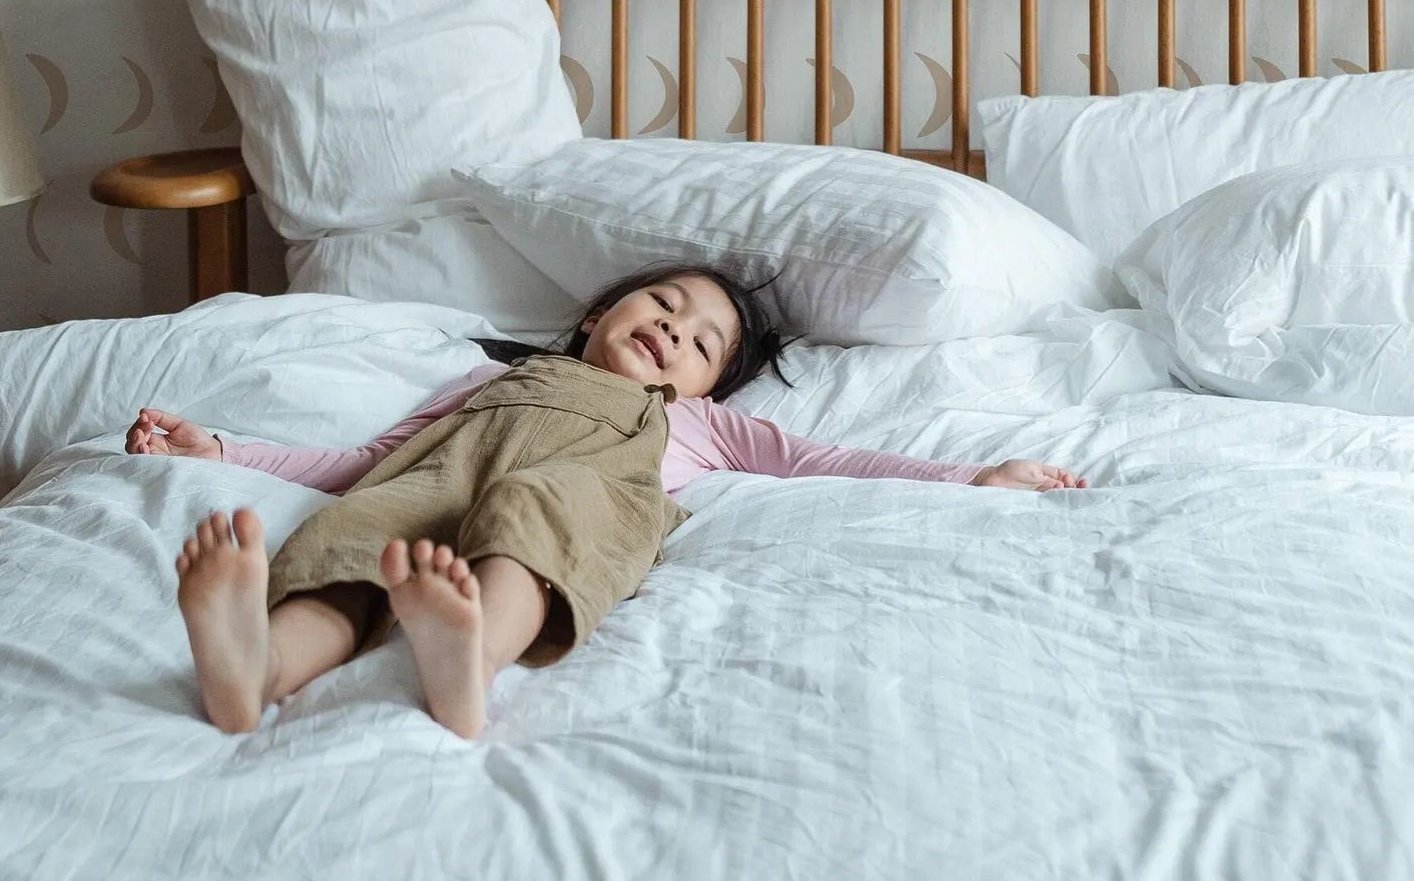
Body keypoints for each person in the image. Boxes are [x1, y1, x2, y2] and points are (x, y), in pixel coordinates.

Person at [126, 261, 1085, 741]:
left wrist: (972, 476)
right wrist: (224, 448)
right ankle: (258, 667)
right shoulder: (485, 379)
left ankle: (471, 657)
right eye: (664, 305)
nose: (674, 331)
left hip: (580, 487)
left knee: (544, 512)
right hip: (439, 476)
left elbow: (824, 459)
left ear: (705, 387)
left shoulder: (699, 426)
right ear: (597, 315)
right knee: (358, 532)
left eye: (701, 344)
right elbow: (366, 460)